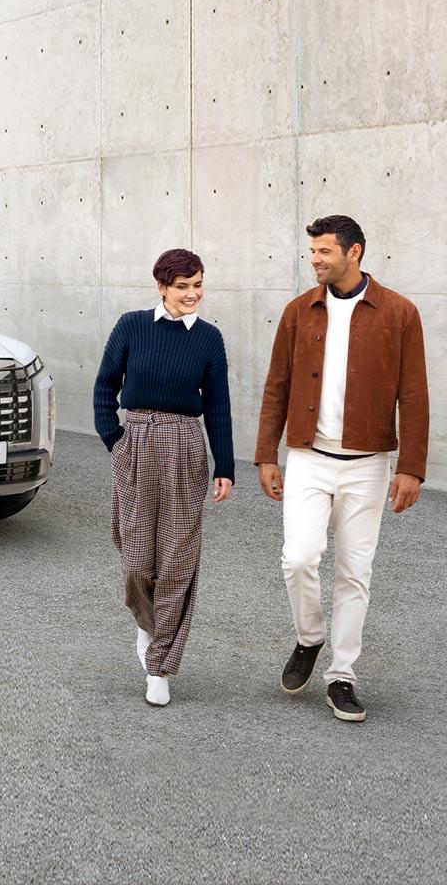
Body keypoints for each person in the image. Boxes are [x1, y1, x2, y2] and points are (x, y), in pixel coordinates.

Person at [255, 215, 429, 722]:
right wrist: (268, 453)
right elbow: (276, 387)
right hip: (308, 456)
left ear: (354, 253)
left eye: (324, 252)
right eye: (312, 252)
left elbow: (413, 395)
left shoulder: (399, 313)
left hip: (369, 463)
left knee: (355, 573)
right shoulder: (297, 313)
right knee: (299, 558)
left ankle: (343, 674)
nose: (315, 260)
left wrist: (411, 467)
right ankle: (310, 637)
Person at [94, 249, 234, 707]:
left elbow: (217, 405)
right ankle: (148, 624)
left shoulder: (209, 339)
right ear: (161, 286)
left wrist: (225, 466)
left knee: (176, 558)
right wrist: (113, 437)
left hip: (185, 448)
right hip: (136, 440)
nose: (192, 294)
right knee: (136, 557)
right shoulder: (132, 326)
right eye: (182, 286)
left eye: (198, 285)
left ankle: (161, 665)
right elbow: (105, 384)